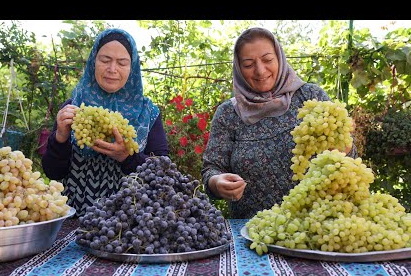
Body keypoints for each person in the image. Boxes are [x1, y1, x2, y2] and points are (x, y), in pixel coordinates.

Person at [201, 27, 357, 219]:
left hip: (318, 226)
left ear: (280, 58)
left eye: (267, 60)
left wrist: (344, 145)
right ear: (238, 68)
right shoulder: (228, 114)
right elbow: (211, 169)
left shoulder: (310, 97)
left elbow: (349, 159)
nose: (260, 70)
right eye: (249, 64)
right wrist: (217, 183)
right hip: (253, 233)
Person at [42, 28, 169, 217]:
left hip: (129, 224)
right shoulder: (74, 108)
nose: (112, 69)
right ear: (94, 61)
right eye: (105, 60)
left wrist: (127, 157)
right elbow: (53, 172)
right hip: (75, 221)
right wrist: (60, 137)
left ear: (132, 67)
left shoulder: (147, 112)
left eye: (122, 63)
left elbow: (163, 174)